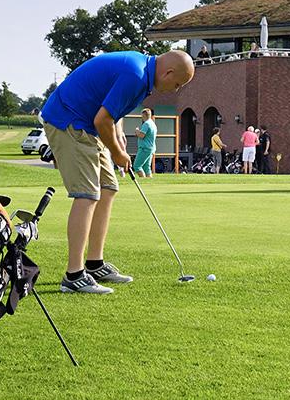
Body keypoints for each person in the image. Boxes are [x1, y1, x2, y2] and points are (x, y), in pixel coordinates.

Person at [41, 50, 194, 294]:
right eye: (177, 84)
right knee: (87, 194)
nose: (175, 90)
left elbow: (111, 110)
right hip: (69, 121)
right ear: (168, 72)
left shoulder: (143, 74)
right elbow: (102, 119)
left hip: (87, 125)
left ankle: (94, 263)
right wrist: (118, 153)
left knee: (108, 188)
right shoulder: (136, 74)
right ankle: (74, 275)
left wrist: (119, 132)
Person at [133, 108, 157, 178]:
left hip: (144, 148)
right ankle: (149, 182)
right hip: (151, 148)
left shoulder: (146, 124)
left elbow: (141, 135)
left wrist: (137, 131)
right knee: (147, 167)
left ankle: (143, 181)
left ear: (144, 115)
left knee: (137, 166)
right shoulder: (153, 124)